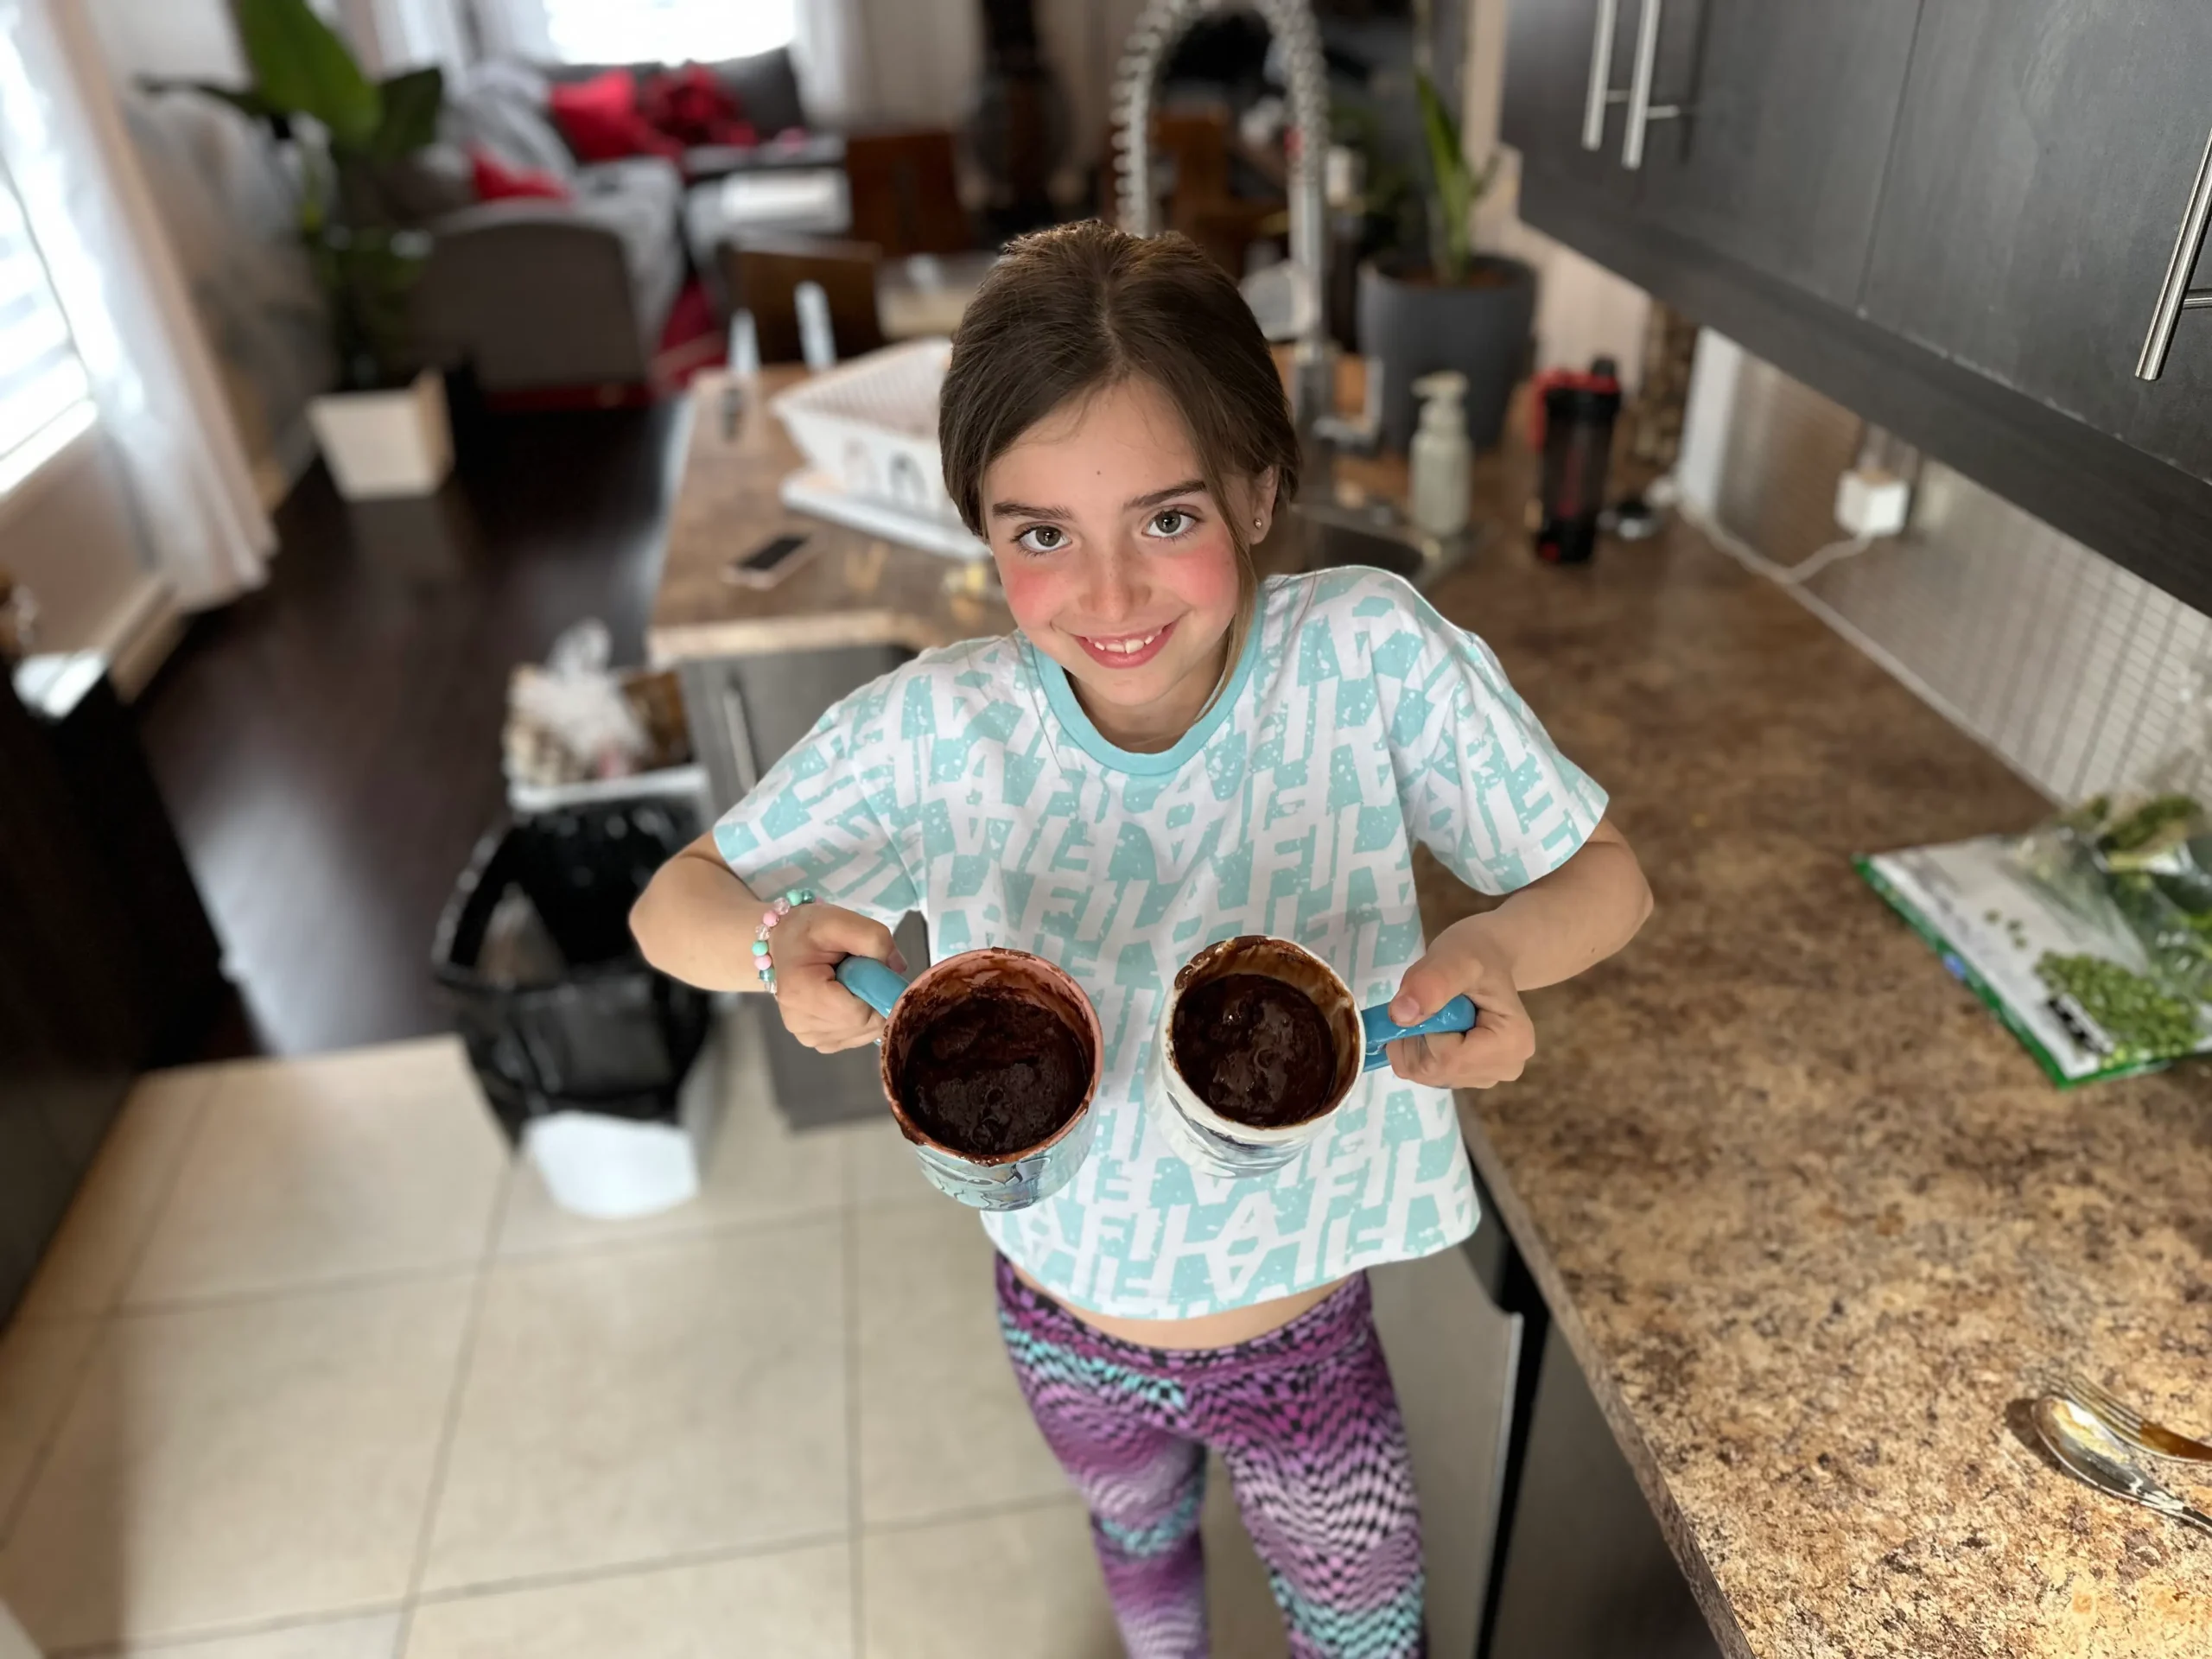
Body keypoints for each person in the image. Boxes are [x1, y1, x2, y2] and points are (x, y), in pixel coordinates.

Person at [631, 219, 1652, 1659]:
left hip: (1303, 1343)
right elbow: (673, 898)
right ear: (983, 529)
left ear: (1257, 489)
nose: (1108, 598)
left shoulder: (1368, 658)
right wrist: (771, 945)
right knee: (1138, 1556)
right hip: (1059, 1323)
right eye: (1042, 535)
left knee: (1366, 1633)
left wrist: (1500, 952)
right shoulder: (939, 728)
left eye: (1167, 519)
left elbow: (1605, 879)